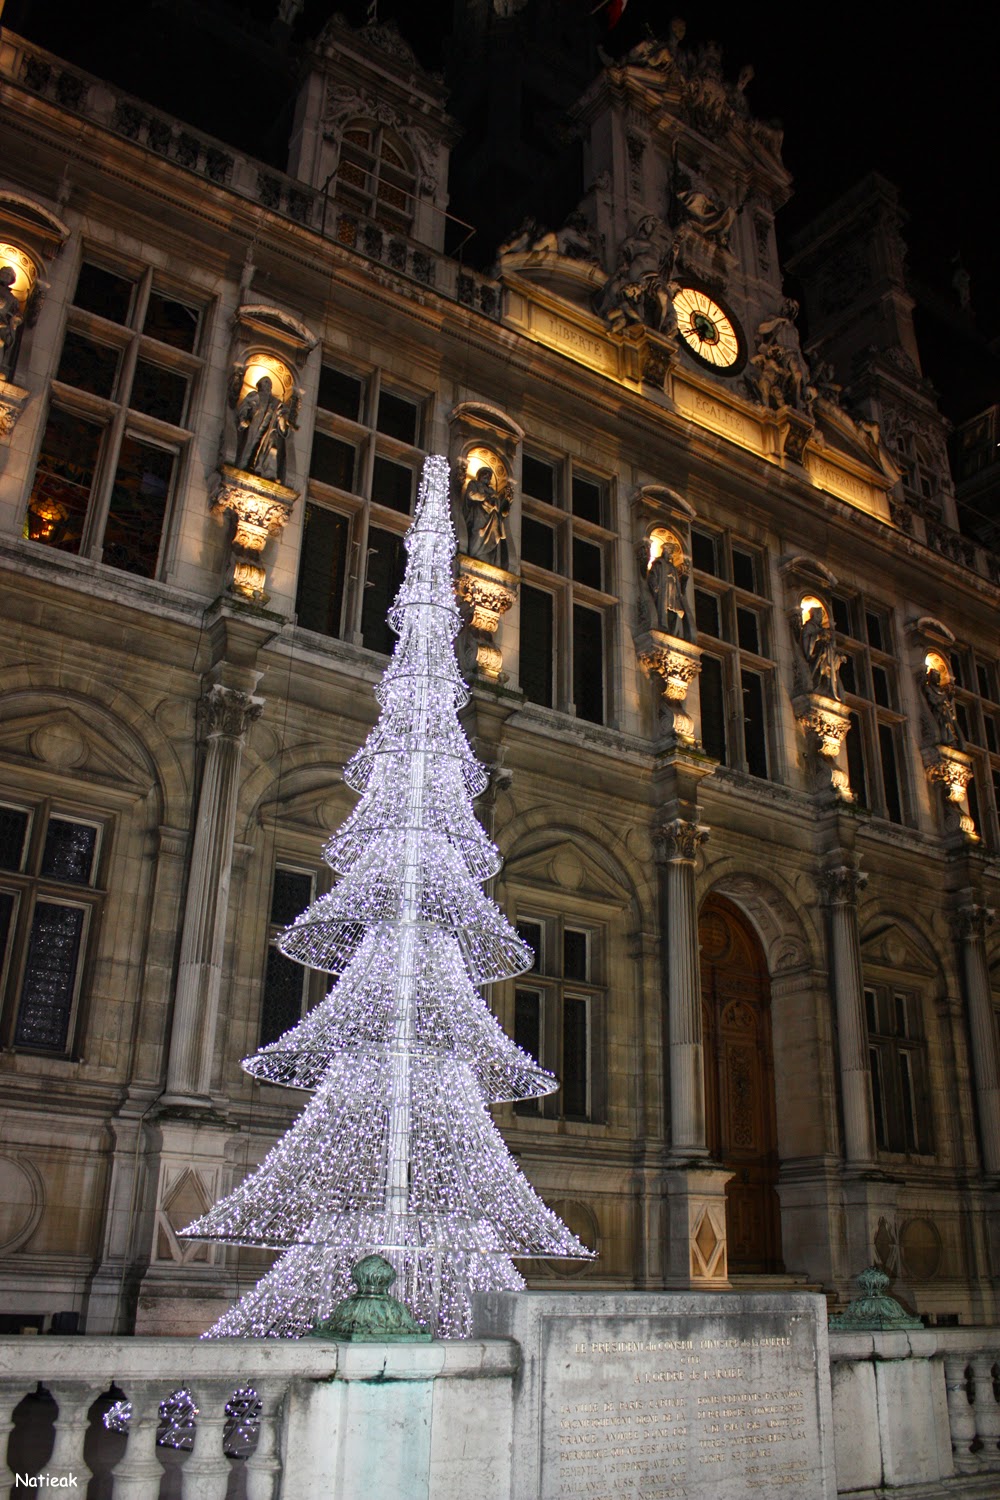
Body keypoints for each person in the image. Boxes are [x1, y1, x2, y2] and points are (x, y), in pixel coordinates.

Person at [234, 375, 290, 483]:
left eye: (269, 383)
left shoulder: (276, 402)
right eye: (265, 382)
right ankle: (244, 465)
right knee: (250, 444)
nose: (268, 385)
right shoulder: (255, 395)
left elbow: (282, 415)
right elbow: (245, 407)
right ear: (259, 385)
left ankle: (264, 471)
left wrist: (282, 422)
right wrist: (243, 419)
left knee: (267, 448)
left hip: (269, 429)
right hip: (255, 424)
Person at [462, 464, 510, 568]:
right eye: (485, 474)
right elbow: (471, 494)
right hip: (479, 513)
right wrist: (485, 498)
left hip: (492, 517)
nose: (487, 477)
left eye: (489, 475)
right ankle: (476, 553)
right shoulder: (474, 483)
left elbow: (498, 505)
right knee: (478, 533)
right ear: (479, 475)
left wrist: (502, 501)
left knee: (494, 536)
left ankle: (488, 557)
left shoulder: (492, 490)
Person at [646, 540, 692, 640]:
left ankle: (673, 630)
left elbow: (678, 584)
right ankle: (664, 627)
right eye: (669, 550)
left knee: (675, 612)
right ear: (664, 551)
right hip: (664, 591)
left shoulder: (673, 567)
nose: (670, 553)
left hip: (673, 593)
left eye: (671, 551)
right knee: (664, 610)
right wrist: (655, 586)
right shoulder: (658, 564)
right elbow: (652, 576)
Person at [800, 606, 845, 699]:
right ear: (814, 615)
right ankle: (819, 684)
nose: (821, 617)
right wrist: (818, 636)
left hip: (825, 656)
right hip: (817, 656)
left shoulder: (820, 628)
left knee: (827, 668)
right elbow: (806, 640)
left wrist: (837, 656)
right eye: (819, 615)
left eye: (822, 615)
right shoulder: (809, 626)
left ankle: (828, 686)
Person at [0, 266, 23, 380]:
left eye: (8, 275)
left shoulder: (13, 299)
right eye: (4, 272)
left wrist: (15, 320)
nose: (5, 275)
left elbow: (16, 314)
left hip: (2, 325)